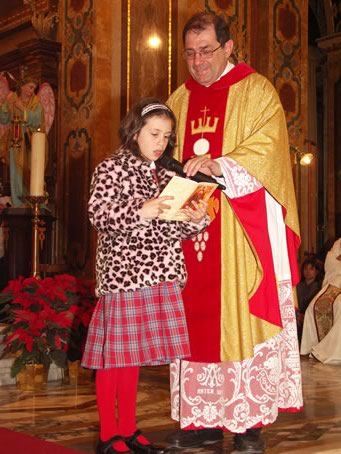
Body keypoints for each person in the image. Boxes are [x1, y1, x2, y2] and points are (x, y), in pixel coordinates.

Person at [166, 11, 303, 454]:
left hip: (238, 236)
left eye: (206, 51)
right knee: (191, 324)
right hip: (190, 236)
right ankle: (203, 422)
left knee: (238, 318)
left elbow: (268, 151)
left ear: (228, 47)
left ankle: (246, 427)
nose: (198, 62)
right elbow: (158, 153)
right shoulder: (178, 100)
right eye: (189, 53)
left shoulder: (257, 91)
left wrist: (218, 165)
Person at [81, 98, 209, 454]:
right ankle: (109, 435)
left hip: (160, 273)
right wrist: (142, 209)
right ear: (134, 130)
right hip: (125, 275)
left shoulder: (168, 173)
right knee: (115, 357)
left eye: (166, 137)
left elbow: (173, 229)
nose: (160, 143)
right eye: (154, 134)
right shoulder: (112, 167)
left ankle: (129, 428)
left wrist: (195, 216)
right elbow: (99, 215)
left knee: (132, 357)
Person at [0, 76, 44, 206]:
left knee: (30, 170)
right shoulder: (12, 100)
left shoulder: (36, 103)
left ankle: (31, 202)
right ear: (22, 86)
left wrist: (22, 109)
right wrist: (4, 104)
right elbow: (4, 119)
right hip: (15, 142)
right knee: (15, 172)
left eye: (34, 88)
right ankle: (17, 201)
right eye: (30, 87)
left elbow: (37, 120)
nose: (32, 91)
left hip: (31, 142)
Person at [301, 239, 341, 364]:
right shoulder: (339, 243)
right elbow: (330, 261)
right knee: (312, 307)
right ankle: (309, 346)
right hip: (336, 282)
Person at [296, 256, 323, 343]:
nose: (307, 272)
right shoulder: (298, 286)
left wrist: (304, 316)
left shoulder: (319, 287)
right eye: (305, 269)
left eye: (311, 269)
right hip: (298, 316)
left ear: (317, 272)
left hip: (311, 317)